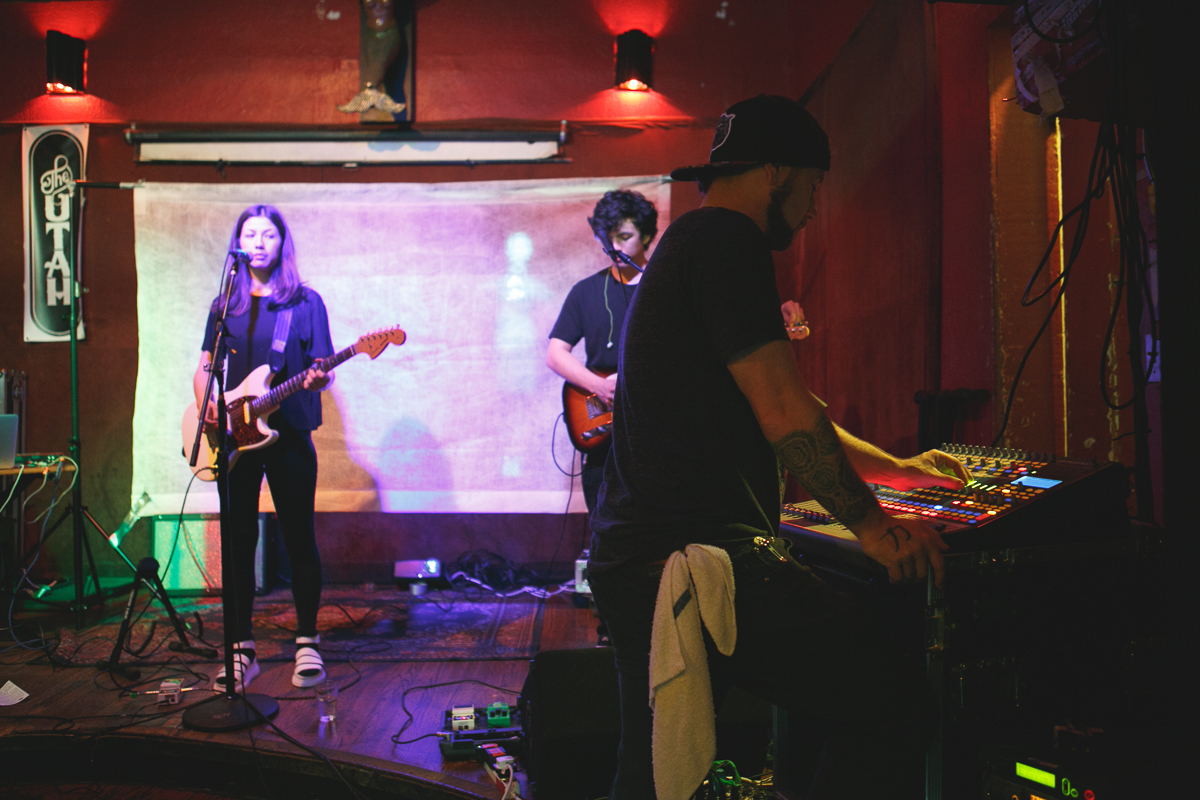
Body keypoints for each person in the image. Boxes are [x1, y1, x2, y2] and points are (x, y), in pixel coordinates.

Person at [587, 95, 973, 799]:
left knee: (651, 775)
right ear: (777, 173)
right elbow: (784, 411)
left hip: (647, 556)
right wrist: (877, 530)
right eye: (813, 187)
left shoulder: (691, 243)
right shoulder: (726, 242)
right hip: (689, 559)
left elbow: (801, 408)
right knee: (892, 699)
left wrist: (902, 470)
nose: (813, 209)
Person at [193, 204, 335, 692]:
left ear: (281, 243)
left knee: (299, 538)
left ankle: (307, 641)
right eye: (249, 234)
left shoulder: (305, 302)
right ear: (238, 242)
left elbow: (322, 371)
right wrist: (207, 403)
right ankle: (240, 649)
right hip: (233, 437)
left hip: (289, 431)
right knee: (237, 544)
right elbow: (204, 365)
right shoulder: (225, 303)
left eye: (268, 234)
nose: (257, 242)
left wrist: (319, 377)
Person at [547, 189, 658, 515]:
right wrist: (599, 386)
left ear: (648, 234)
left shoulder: (664, 287)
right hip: (603, 444)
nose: (615, 247)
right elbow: (555, 354)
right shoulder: (586, 291)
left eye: (625, 237)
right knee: (604, 526)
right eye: (608, 238)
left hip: (653, 438)